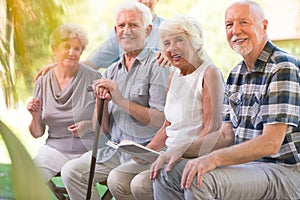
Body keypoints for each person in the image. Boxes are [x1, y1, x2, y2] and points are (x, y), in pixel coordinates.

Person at [150, 1, 300, 199]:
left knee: (198, 180)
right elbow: (226, 135)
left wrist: (212, 159)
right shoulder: (236, 73)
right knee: (166, 171)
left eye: (244, 22)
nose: (236, 31)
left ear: (263, 26)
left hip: (282, 171)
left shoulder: (282, 67)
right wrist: (180, 150)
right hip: (248, 168)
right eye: (229, 25)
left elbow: (270, 144)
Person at [107, 15, 224, 200]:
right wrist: (146, 152)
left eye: (179, 40)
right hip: (167, 153)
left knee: (141, 185)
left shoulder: (209, 74)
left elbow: (212, 128)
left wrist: (187, 155)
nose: (172, 48)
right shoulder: (173, 76)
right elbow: (168, 125)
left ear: (196, 42)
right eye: (167, 43)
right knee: (117, 178)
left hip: (191, 156)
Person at [60, 2, 168, 200]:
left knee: (118, 180)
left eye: (133, 25)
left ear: (148, 30)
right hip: (115, 151)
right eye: (121, 26)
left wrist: (119, 99)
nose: (126, 31)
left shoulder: (158, 65)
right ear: (115, 31)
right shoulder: (111, 71)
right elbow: (103, 128)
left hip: (146, 152)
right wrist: (100, 102)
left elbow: (161, 120)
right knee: (71, 172)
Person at [26, 23, 101, 182]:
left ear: (82, 52)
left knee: (71, 173)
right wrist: (34, 116)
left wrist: (87, 125)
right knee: (30, 177)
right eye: (66, 47)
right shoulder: (43, 81)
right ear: (54, 49)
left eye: (77, 48)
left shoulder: (93, 79)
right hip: (55, 150)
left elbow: (104, 123)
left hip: (87, 152)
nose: (71, 53)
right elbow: (37, 133)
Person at [33, 0, 168, 81]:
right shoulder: (121, 33)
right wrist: (62, 66)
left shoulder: (168, 29)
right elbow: (91, 63)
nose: (144, 1)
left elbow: (185, 59)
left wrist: (171, 56)